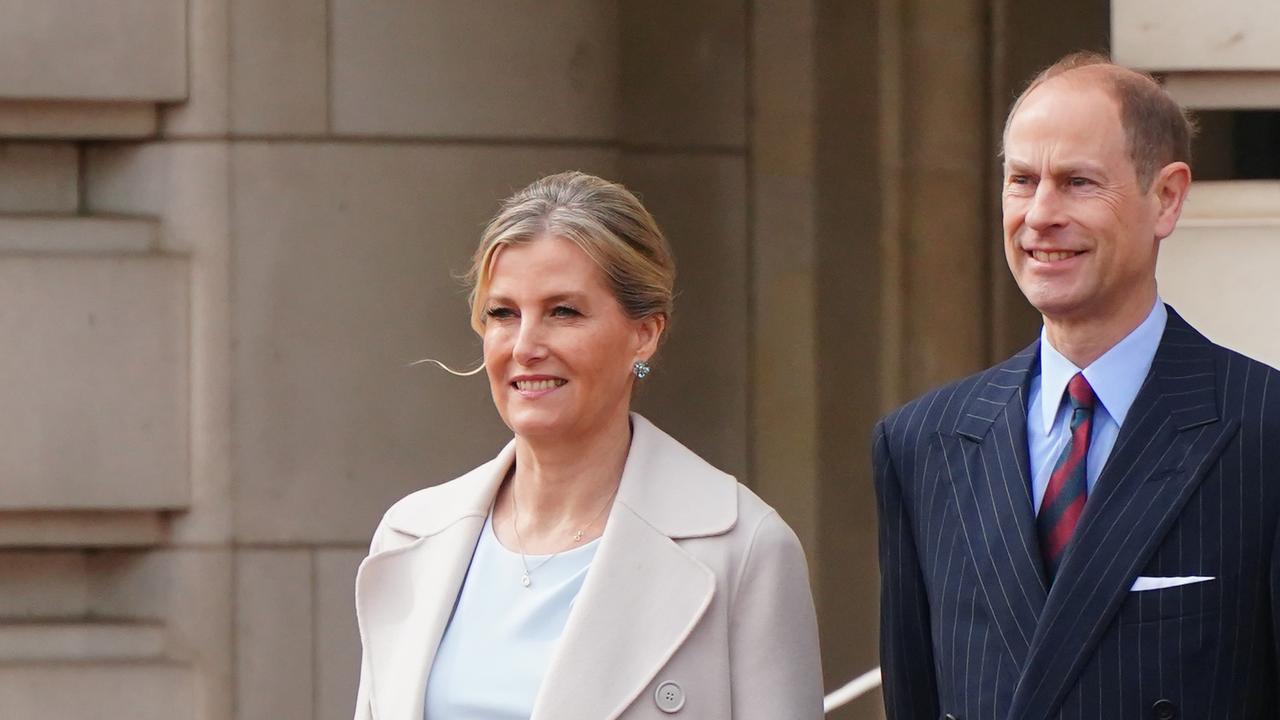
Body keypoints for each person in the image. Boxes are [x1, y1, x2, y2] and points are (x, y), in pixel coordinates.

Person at [873, 52, 1280, 719]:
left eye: (1078, 182)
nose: (1040, 215)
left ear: (1167, 198)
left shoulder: (1264, 430)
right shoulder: (922, 444)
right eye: (1022, 180)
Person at [353, 171, 823, 719]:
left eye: (563, 312)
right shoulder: (411, 535)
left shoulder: (743, 549)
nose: (525, 346)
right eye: (503, 313)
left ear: (645, 332)